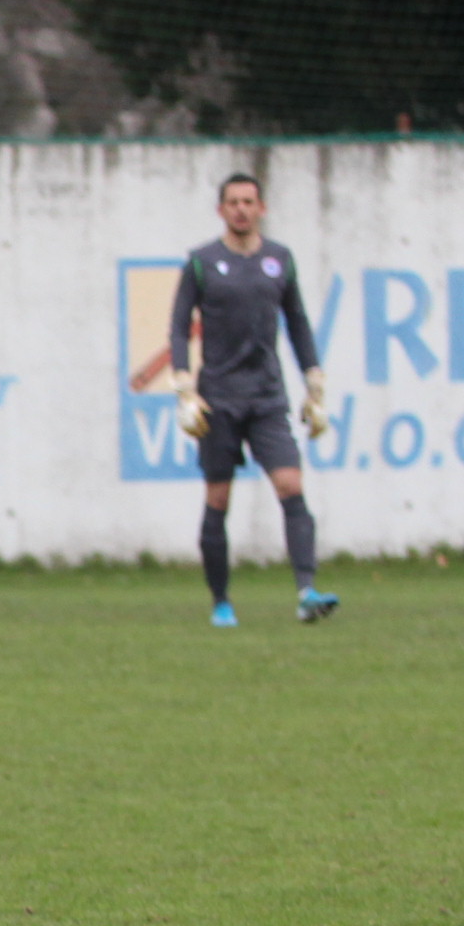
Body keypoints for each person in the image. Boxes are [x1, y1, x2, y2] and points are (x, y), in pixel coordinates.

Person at [168, 174, 337, 626]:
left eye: (249, 201)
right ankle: (221, 601)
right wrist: (184, 384)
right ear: (221, 210)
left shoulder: (279, 261)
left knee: (291, 486)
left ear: (261, 208)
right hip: (218, 399)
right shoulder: (202, 262)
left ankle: (306, 591)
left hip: (266, 397)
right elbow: (179, 325)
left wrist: (313, 378)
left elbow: (297, 321)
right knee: (219, 498)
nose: (241, 209)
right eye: (233, 202)